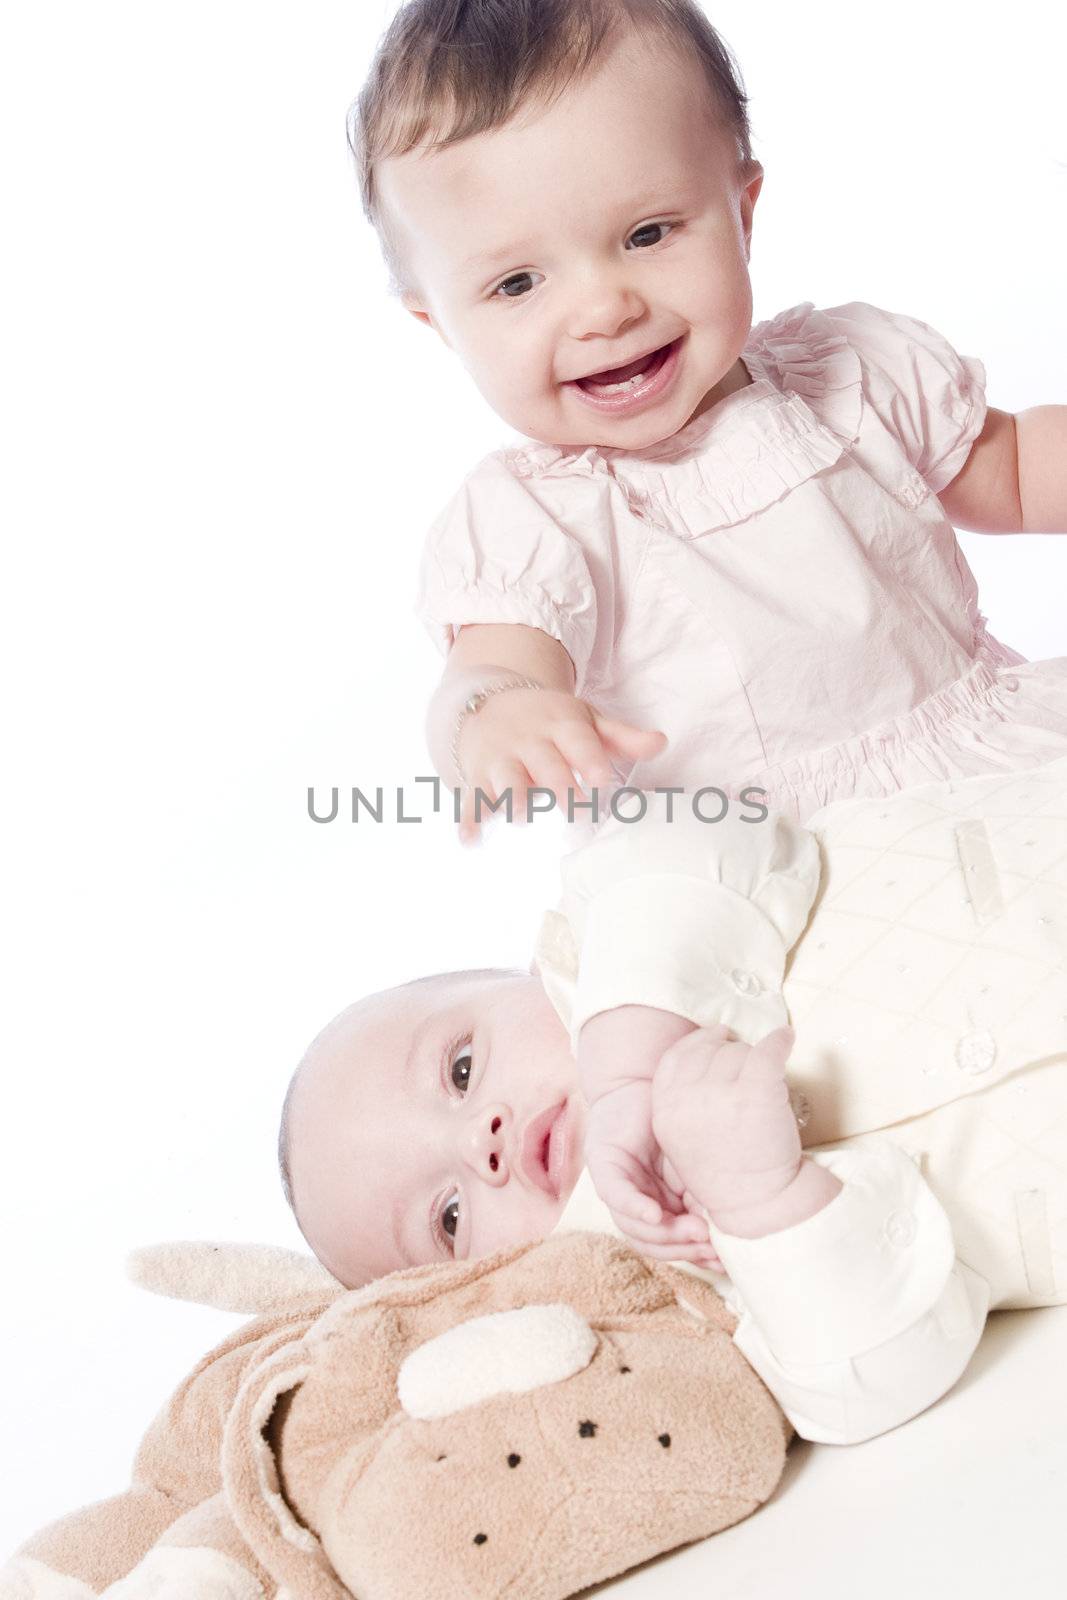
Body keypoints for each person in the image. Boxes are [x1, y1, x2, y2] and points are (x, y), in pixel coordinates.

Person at [348, 0, 1067, 836]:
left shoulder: (848, 376)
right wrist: (497, 715)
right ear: (440, 325)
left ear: (742, 213)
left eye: (647, 233)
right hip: (743, 850)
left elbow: (1013, 470)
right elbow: (492, 664)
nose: (604, 309)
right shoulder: (537, 517)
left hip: (978, 773)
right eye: (516, 284)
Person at [279, 757, 1067, 1443]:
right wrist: (762, 1201)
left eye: (459, 1070)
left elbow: (716, 821)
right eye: (448, 1217)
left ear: (517, 972)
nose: (480, 1143)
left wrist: (630, 1058)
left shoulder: (615, 922)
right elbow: (871, 1384)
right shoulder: (679, 1286)